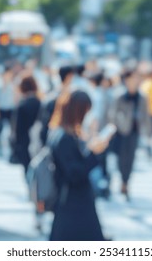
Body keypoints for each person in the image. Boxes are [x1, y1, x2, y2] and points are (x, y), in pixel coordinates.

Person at [48, 90, 111, 241]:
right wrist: (95, 153)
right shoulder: (64, 138)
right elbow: (75, 173)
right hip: (74, 202)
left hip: (71, 201)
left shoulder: (60, 133)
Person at [109, 69, 152, 200]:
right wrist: (118, 123)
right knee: (121, 158)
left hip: (135, 131)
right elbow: (113, 114)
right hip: (121, 132)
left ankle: (126, 182)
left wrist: (149, 133)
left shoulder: (142, 97)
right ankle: (123, 181)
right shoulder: (120, 96)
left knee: (131, 158)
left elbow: (146, 115)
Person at [11, 74, 41, 176]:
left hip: (25, 143)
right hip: (40, 142)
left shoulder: (21, 105)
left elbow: (17, 129)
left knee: (28, 172)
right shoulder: (41, 102)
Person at [39, 66, 75, 146]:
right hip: (63, 141)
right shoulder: (69, 98)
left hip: (50, 138)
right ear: (69, 76)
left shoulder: (50, 97)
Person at [0, 66, 17, 156]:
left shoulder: (12, 84)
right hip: (1, 109)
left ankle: (10, 149)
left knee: (11, 129)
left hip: (10, 109)